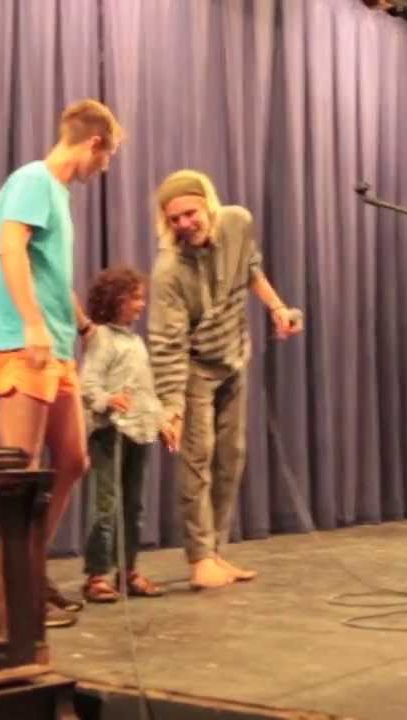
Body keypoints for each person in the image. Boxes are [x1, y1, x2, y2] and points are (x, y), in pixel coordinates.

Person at [0, 99, 122, 628]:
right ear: (94, 143)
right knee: (20, 469)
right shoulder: (33, 179)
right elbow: (10, 249)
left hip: (56, 348)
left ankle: (27, 568)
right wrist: (32, 323)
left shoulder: (56, 194)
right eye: (108, 157)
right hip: (22, 341)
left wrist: (83, 326)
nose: (104, 169)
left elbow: (49, 272)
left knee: (74, 459)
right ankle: (5, 592)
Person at [147, 169, 302, 590]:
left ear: (208, 205)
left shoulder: (238, 222)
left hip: (235, 356)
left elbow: (251, 269)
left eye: (190, 213)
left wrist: (277, 308)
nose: (184, 224)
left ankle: (216, 551)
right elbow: (166, 344)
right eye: (174, 219)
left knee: (231, 456)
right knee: (198, 459)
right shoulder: (169, 271)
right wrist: (172, 408)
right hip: (195, 367)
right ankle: (199, 559)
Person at [78, 266, 165, 602]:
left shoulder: (137, 342)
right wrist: (107, 400)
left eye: (142, 298)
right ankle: (97, 574)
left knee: (134, 505)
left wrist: (160, 421)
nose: (141, 304)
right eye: (135, 298)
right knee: (106, 504)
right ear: (115, 300)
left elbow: (145, 390)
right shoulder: (102, 337)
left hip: (138, 433)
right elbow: (89, 385)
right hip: (110, 433)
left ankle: (127, 569)